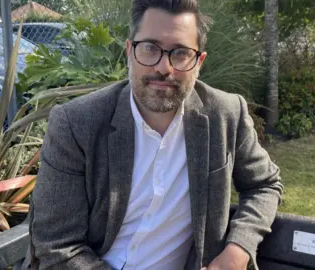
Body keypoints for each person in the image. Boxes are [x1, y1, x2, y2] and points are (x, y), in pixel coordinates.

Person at [24, 0, 283, 269]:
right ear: (129, 51)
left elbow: (264, 184)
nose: (164, 68)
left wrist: (238, 250)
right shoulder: (76, 124)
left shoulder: (226, 114)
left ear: (199, 62)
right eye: (150, 48)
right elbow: (57, 246)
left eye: (181, 53)